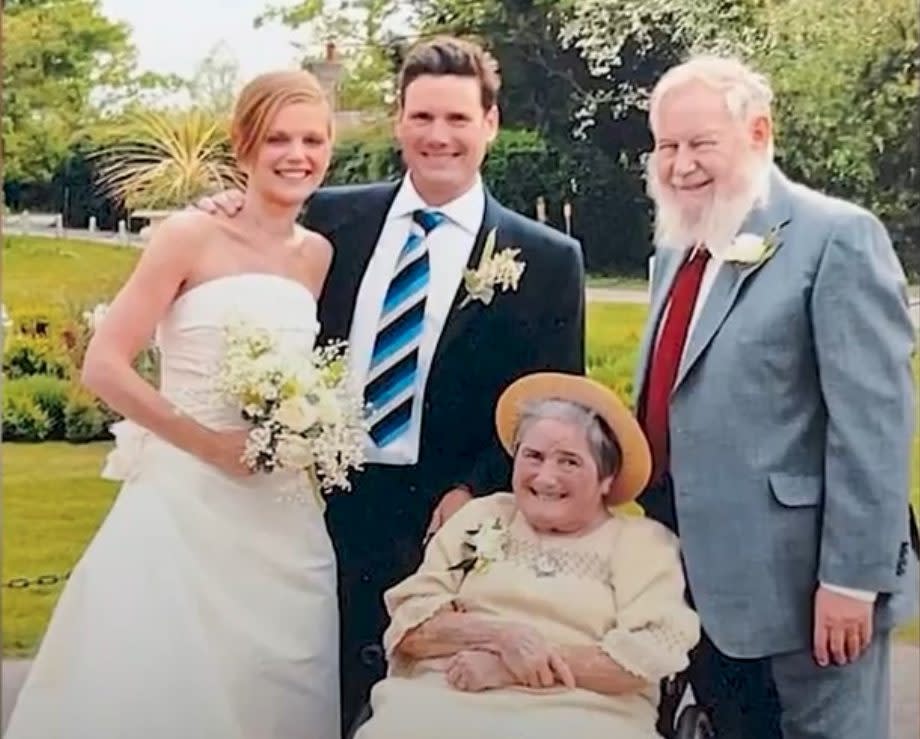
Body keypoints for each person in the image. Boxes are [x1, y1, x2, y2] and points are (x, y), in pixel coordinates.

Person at [198, 36, 586, 731]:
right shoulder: (328, 218)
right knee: (302, 690)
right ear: (399, 120)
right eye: (423, 118)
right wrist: (229, 206)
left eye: (458, 119)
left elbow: (552, 406)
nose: (439, 136)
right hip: (316, 505)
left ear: (490, 124)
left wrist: (475, 489)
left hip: (448, 520)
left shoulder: (549, 259)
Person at [5, 70, 342, 739]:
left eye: (312, 139)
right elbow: (104, 364)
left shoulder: (319, 255)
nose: (295, 154)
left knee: (273, 682)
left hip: (281, 509)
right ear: (242, 145)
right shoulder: (190, 234)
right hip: (183, 499)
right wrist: (208, 443)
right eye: (277, 137)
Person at [634, 55, 919, 739]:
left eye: (701, 143)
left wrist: (853, 583)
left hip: (805, 591)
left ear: (759, 133)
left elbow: (872, 429)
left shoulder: (837, 237)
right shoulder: (679, 245)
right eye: (667, 146)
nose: (680, 165)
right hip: (695, 580)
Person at [352, 371, 700, 739]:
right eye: (533, 456)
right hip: (447, 695)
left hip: (584, 712)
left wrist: (509, 667)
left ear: (606, 477)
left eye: (569, 462)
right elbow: (413, 626)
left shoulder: (638, 544)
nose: (546, 478)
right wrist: (501, 637)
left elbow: (640, 660)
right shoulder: (488, 521)